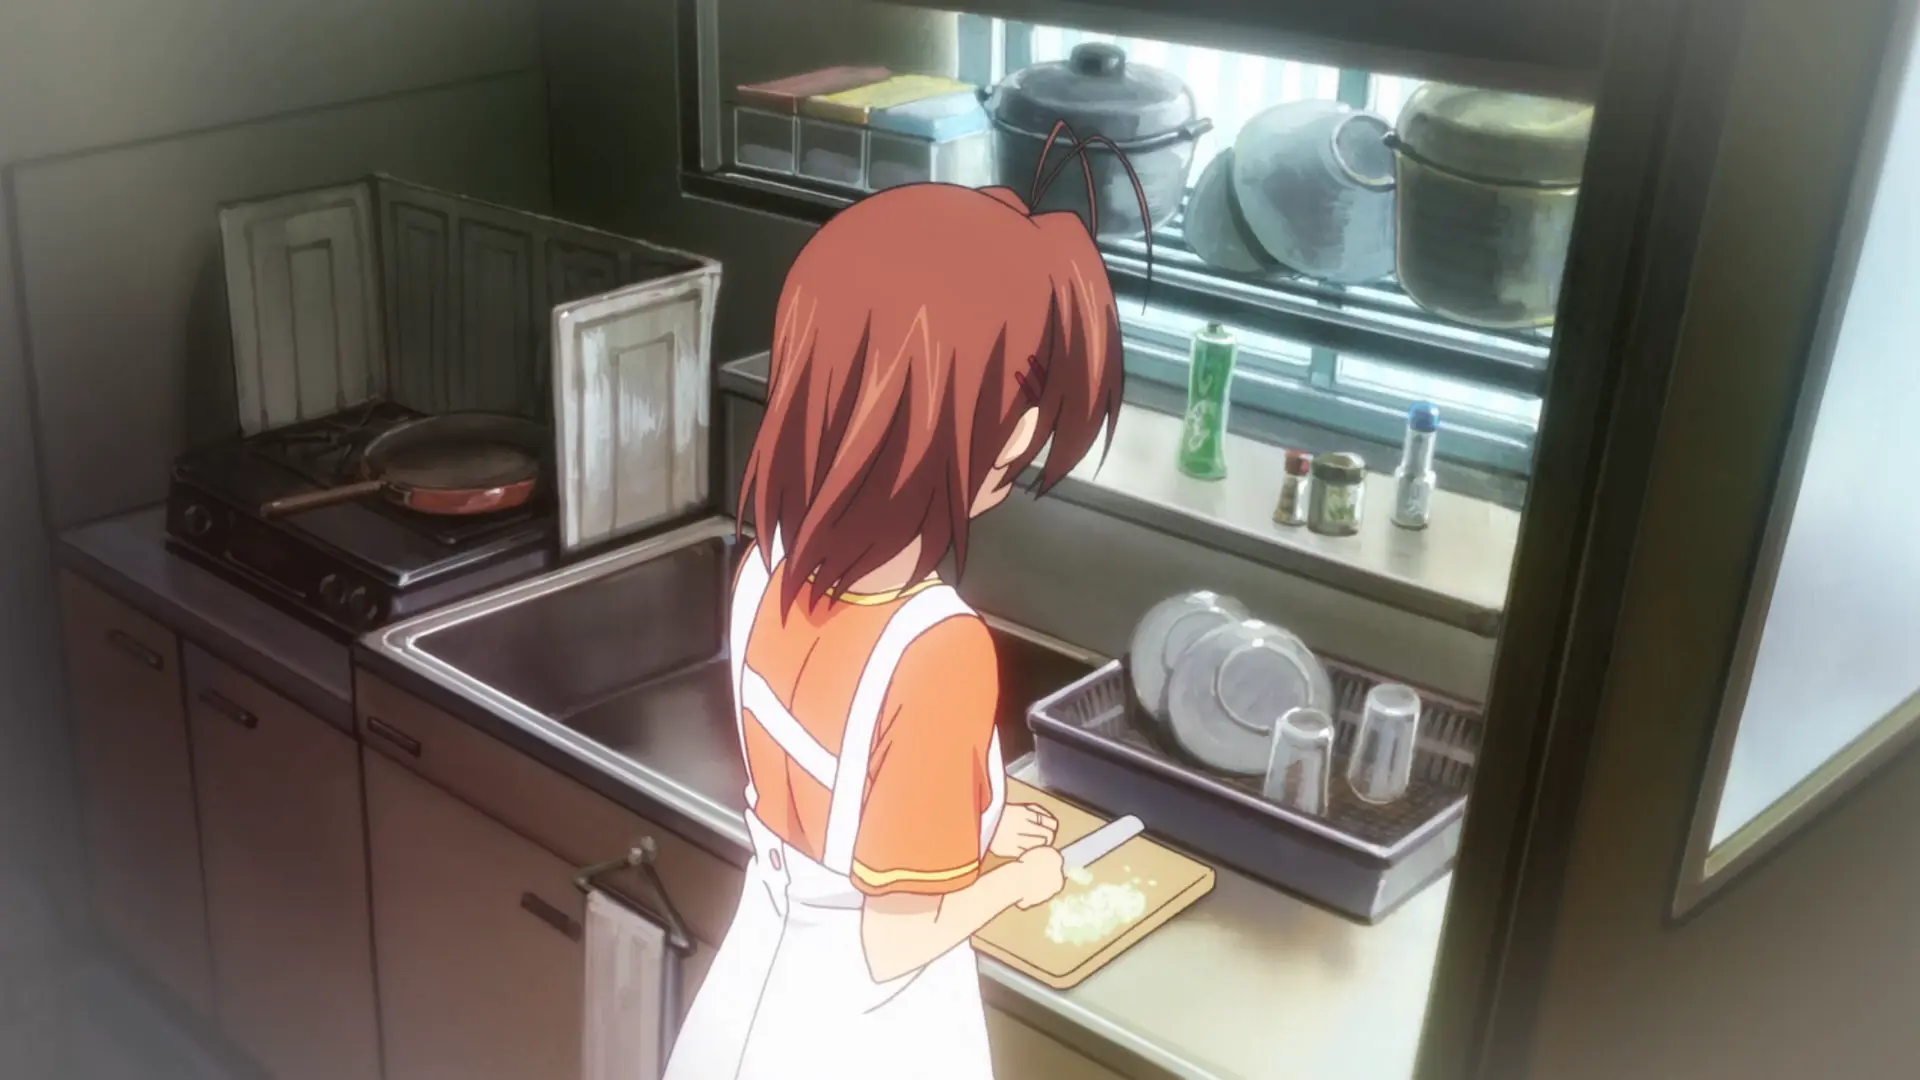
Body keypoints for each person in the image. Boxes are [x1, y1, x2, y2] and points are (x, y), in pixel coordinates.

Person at [663, 129, 1144, 1080]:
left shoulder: (768, 567)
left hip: (755, 994)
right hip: (868, 1037)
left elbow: (830, 808)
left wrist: (975, 829)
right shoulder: (938, 652)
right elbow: (894, 940)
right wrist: (1015, 881)